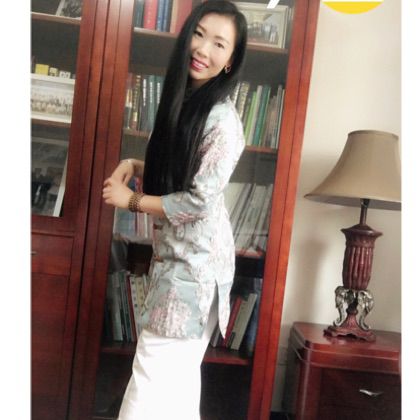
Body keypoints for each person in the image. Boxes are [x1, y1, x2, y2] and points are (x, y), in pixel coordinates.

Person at [102, 1, 247, 418]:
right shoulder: (187, 102)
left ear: (230, 61)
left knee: (147, 388)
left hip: (194, 273)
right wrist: (135, 165)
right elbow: (182, 172)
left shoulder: (223, 123)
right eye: (199, 34)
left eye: (219, 43)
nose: (203, 49)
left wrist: (131, 200)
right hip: (179, 264)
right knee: (176, 395)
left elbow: (198, 200)